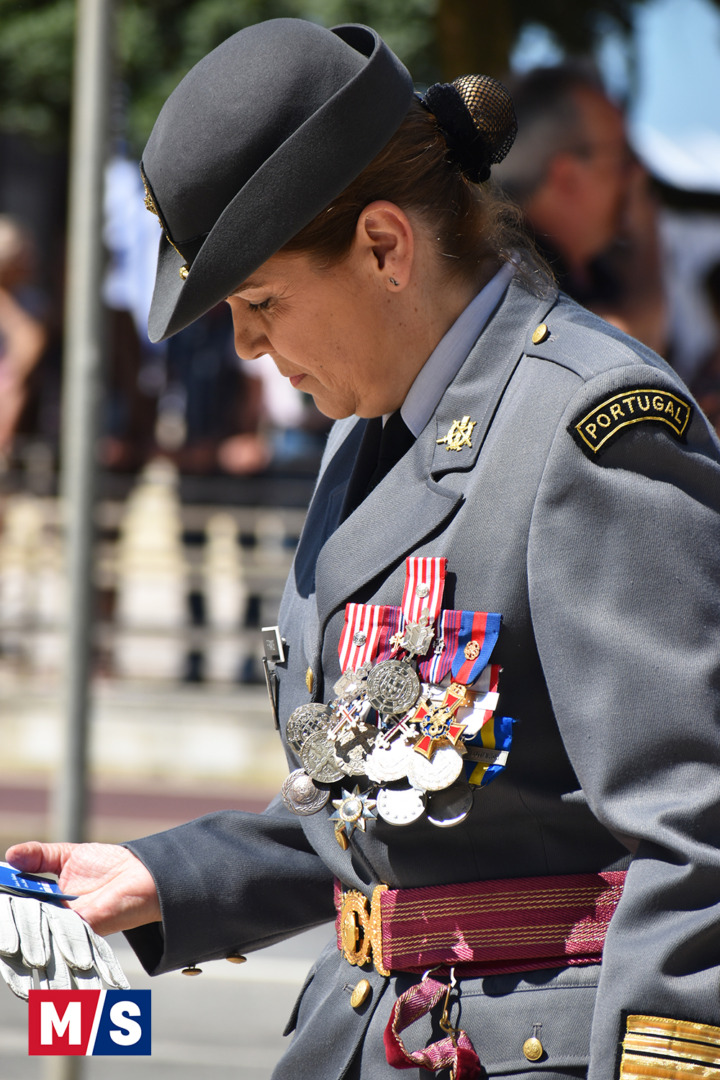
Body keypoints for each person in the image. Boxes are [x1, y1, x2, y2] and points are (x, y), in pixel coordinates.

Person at [7, 18, 720, 1080]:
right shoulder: (369, 430)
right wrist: (166, 878)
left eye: (261, 301)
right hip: (371, 1034)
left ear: (385, 246)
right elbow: (385, 802)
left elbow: (697, 839)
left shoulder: (587, 428)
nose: (248, 343)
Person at [492, 63, 669, 354]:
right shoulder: (509, 267)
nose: (637, 174)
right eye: (623, 156)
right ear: (567, 176)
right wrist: (645, 240)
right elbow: (625, 347)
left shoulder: (592, 270)